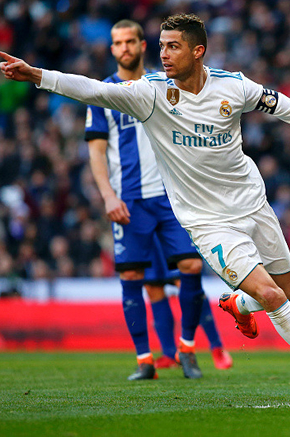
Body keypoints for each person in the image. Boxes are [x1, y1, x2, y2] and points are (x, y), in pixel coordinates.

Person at [0, 13, 290, 403]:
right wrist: (37, 75)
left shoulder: (233, 87)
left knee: (289, 294)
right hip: (207, 222)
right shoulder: (148, 94)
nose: (163, 55)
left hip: (253, 205)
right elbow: (93, 90)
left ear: (198, 51)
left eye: (173, 47)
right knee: (272, 296)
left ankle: (238, 303)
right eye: (162, 46)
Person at [85, 19, 231, 379]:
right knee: (134, 276)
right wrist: (107, 196)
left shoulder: (165, 85)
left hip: (172, 196)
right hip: (130, 201)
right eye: (117, 43)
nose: (124, 48)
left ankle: (187, 349)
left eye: (130, 41)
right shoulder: (105, 93)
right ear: (112, 48)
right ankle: (144, 360)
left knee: (192, 268)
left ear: (142, 44)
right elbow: (97, 151)